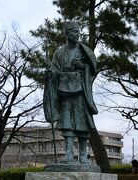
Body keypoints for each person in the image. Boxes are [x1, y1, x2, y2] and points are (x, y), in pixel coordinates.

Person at [43, 22, 98, 164]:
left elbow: (92, 70)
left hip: (80, 92)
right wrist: (51, 73)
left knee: (82, 123)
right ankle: (68, 154)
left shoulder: (84, 51)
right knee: (67, 122)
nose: (77, 34)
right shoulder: (59, 53)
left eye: (78, 31)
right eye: (74, 31)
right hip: (64, 91)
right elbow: (55, 69)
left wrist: (83, 67)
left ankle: (83, 155)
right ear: (67, 34)